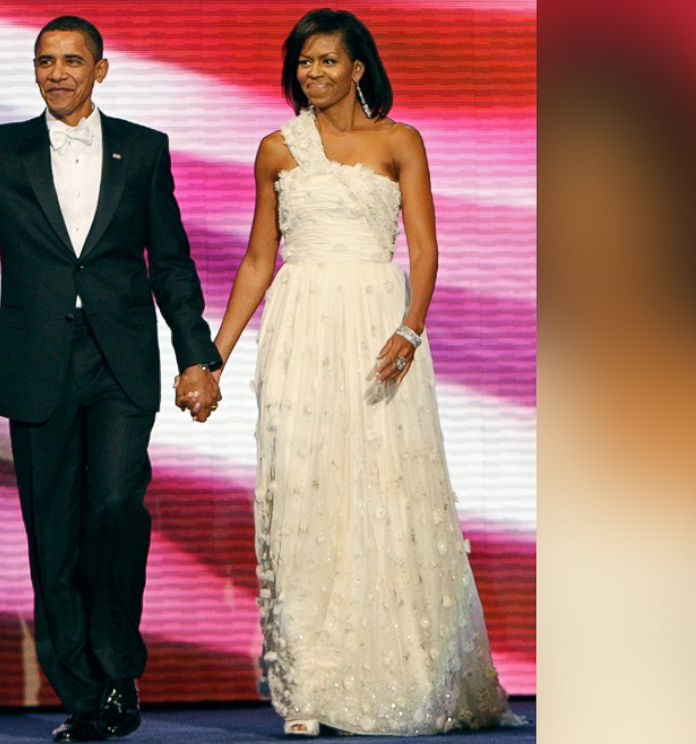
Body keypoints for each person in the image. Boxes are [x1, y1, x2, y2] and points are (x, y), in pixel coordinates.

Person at [0, 17, 222, 742]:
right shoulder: (5, 149)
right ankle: (87, 697)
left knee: (118, 510)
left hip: (122, 362)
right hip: (40, 367)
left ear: (101, 69)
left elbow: (173, 262)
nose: (57, 72)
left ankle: (120, 672)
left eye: (71, 60)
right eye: (44, 61)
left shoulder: (145, 149)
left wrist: (196, 356)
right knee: (54, 534)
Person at [204, 8, 523, 737]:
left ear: (357, 68)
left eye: (325, 62)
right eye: (303, 64)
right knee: (306, 493)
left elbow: (425, 246)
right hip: (301, 324)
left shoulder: (399, 142)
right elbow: (259, 260)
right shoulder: (276, 150)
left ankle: (408, 671)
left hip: (379, 327)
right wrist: (213, 358)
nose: (312, 75)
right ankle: (312, 687)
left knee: (388, 488)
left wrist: (411, 327)